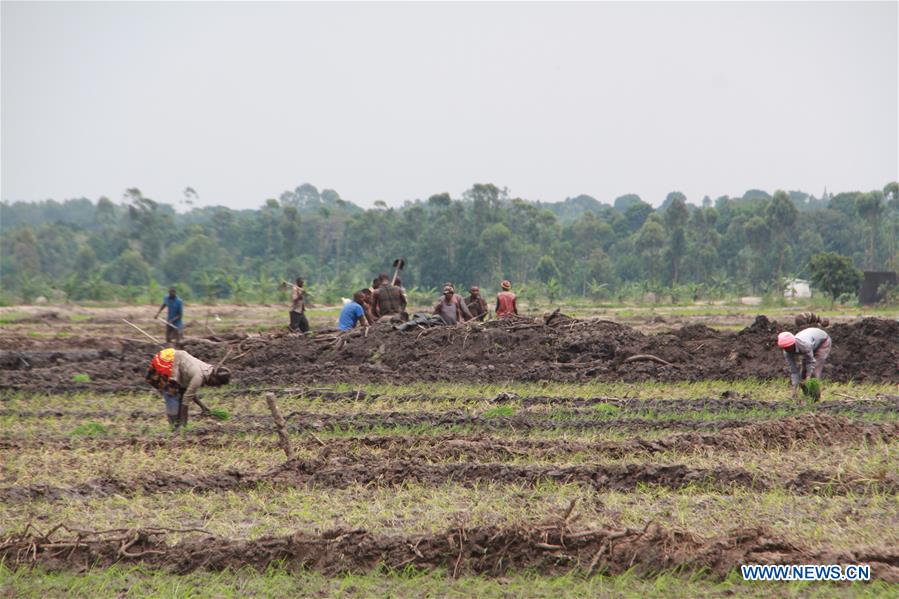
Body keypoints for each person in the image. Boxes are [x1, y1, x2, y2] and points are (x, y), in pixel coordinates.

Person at [145, 348, 231, 428]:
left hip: (177, 360)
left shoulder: (207, 370)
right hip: (167, 361)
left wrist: (203, 407)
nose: (215, 386)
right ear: (214, 378)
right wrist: (184, 425)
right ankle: (175, 429)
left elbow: (190, 391)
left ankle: (177, 427)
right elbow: (186, 401)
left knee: (181, 392)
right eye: (217, 384)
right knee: (172, 393)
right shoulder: (199, 376)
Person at [777, 327, 832, 399]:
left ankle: (815, 398)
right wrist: (794, 390)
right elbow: (794, 371)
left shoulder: (804, 345)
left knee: (814, 372)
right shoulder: (786, 351)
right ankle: (806, 396)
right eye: (785, 348)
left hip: (823, 342)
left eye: (789, 347)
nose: (787, 350)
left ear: (793, 344)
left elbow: (811, 362)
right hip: (810, 343)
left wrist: (809, 377)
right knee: (803, 373)